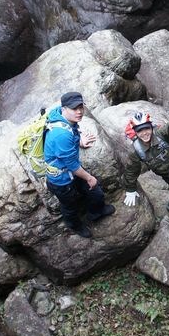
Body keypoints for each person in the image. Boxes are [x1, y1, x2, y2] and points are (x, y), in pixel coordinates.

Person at [44, 91, 115, 238]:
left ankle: (96, 212)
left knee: (95, 192)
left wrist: (80, 141)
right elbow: (72, 165)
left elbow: (72, 132)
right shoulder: (60, 134)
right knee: (70, 206)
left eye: (81, 107)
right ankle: (74, 225)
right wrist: (89, 178)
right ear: (64, 109)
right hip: (61, 180)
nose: (79, 111)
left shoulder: (61, 117)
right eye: (74, 108)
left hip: (71, 171)